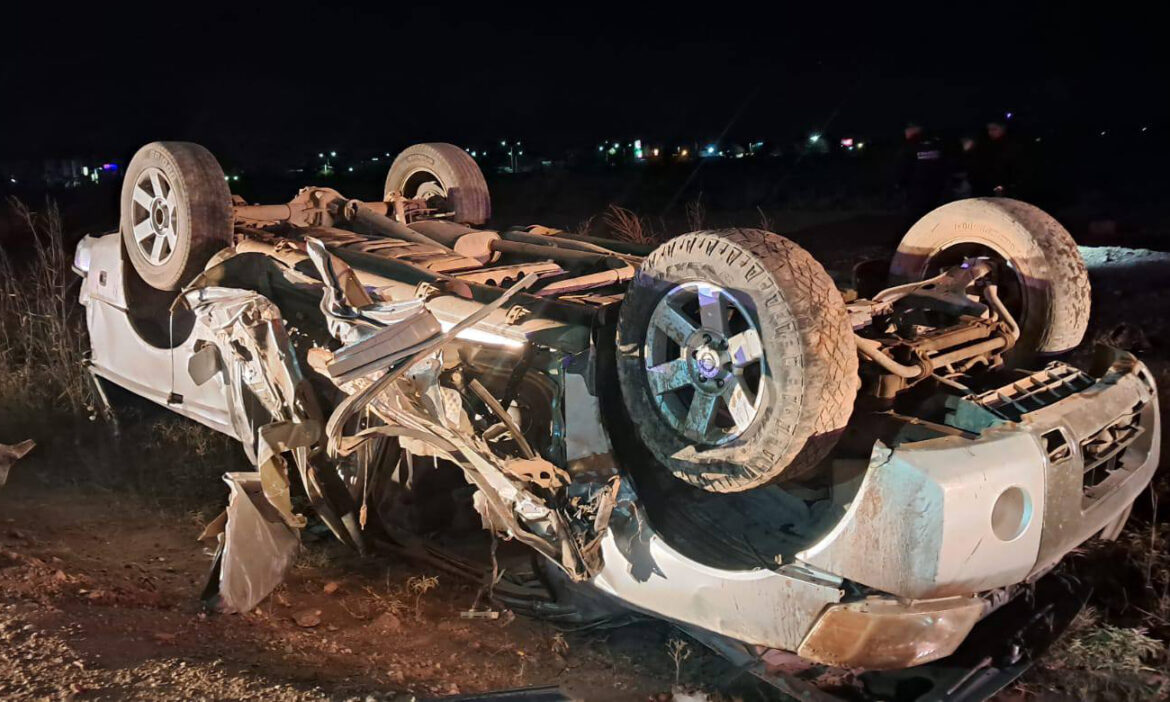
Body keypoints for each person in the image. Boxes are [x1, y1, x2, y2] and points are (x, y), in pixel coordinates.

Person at [897, 121, 949, 225]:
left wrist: (899, 184)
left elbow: (903, 167)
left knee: (913, 218)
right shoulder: (936, 144)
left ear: (914, 130)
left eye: (907, 130)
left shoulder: (910, 145)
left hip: (917, 189)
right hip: (937, 188)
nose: (906, 133)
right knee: (933, 216)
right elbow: (945, 164)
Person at [971, 118, 1022, 197]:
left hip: (1009, 187)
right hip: (990, 186)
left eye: (994, 129)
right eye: (989, 129)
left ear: (1003, 128)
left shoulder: (1012, 146)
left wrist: (1005, 186)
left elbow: (1015, 169)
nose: (990, 132)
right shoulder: (987, 145)